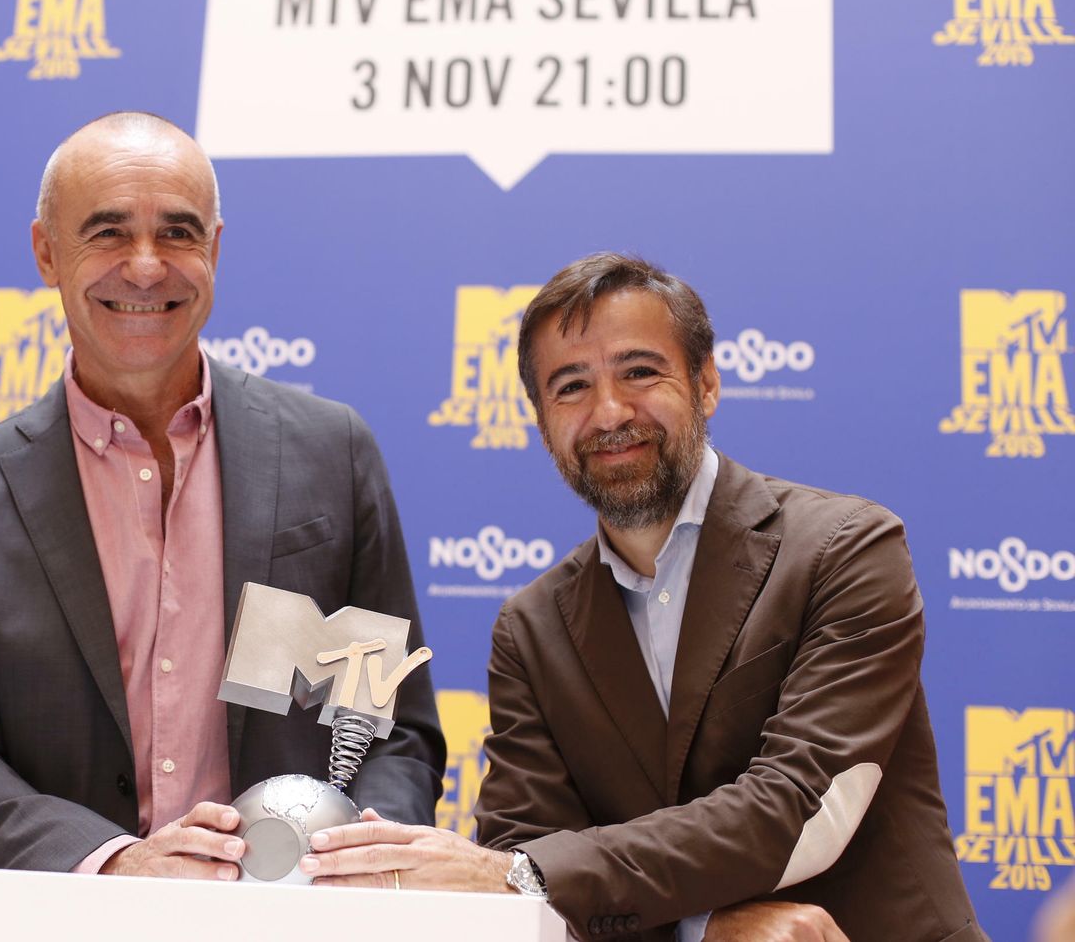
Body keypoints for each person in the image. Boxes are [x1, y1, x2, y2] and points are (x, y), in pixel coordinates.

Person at [300, 254, 985, 942]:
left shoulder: (846, 547)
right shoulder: (532, 629)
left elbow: (803, 806)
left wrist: (534, 876)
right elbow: (526, 867)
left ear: (706, 383)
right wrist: (706, 928)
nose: (609, 412)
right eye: (571, 386)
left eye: (639, 372)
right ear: (541, 421)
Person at [0, 112, 444, 880]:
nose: (147, 267)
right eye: (109, 233)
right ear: (46, 253)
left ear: (215, 249)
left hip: (289, 918)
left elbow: (388, 732)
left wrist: (350, 861)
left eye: (178, 233)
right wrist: (116, 864)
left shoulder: (331, 453)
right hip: (68, 920)